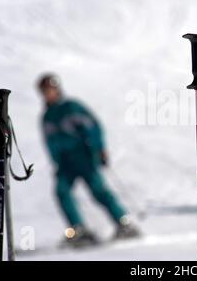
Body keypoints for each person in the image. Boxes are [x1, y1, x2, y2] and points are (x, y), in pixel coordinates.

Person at [37, 73, 139, 247]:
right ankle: (78, 229)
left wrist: (99, 149)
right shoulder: (46, 116)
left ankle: (123, 223)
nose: (48, 93)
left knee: (98, 190)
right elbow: (50, 142)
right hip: (64, 161)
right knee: (62, 192)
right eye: (44, 91)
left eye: (50, 89)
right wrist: (56, 160)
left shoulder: (71, 107)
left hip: (83, 155)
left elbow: (92, 127)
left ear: (57, 89)